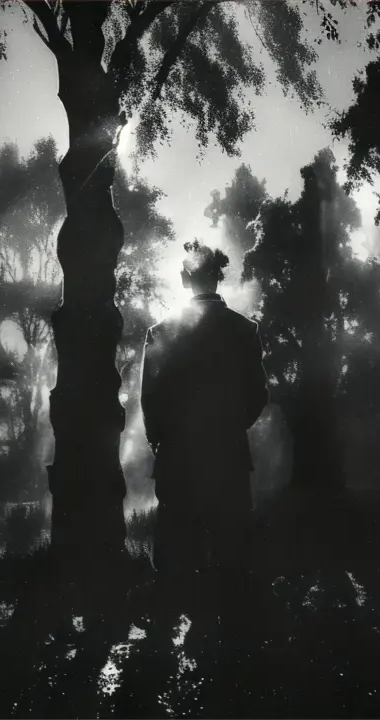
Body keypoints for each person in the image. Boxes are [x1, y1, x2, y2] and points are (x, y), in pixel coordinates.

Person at [141, 240, 269, 620]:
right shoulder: (244, 330)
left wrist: (161, 437)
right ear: (218, 276)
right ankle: (232, 626)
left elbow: (150, 396)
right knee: (231, 539)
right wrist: (230, 425)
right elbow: (258, 395)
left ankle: (170, 624)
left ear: (184, 278)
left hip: (176, 453)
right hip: (228, 451)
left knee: (176, 539)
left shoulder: (161, 332)